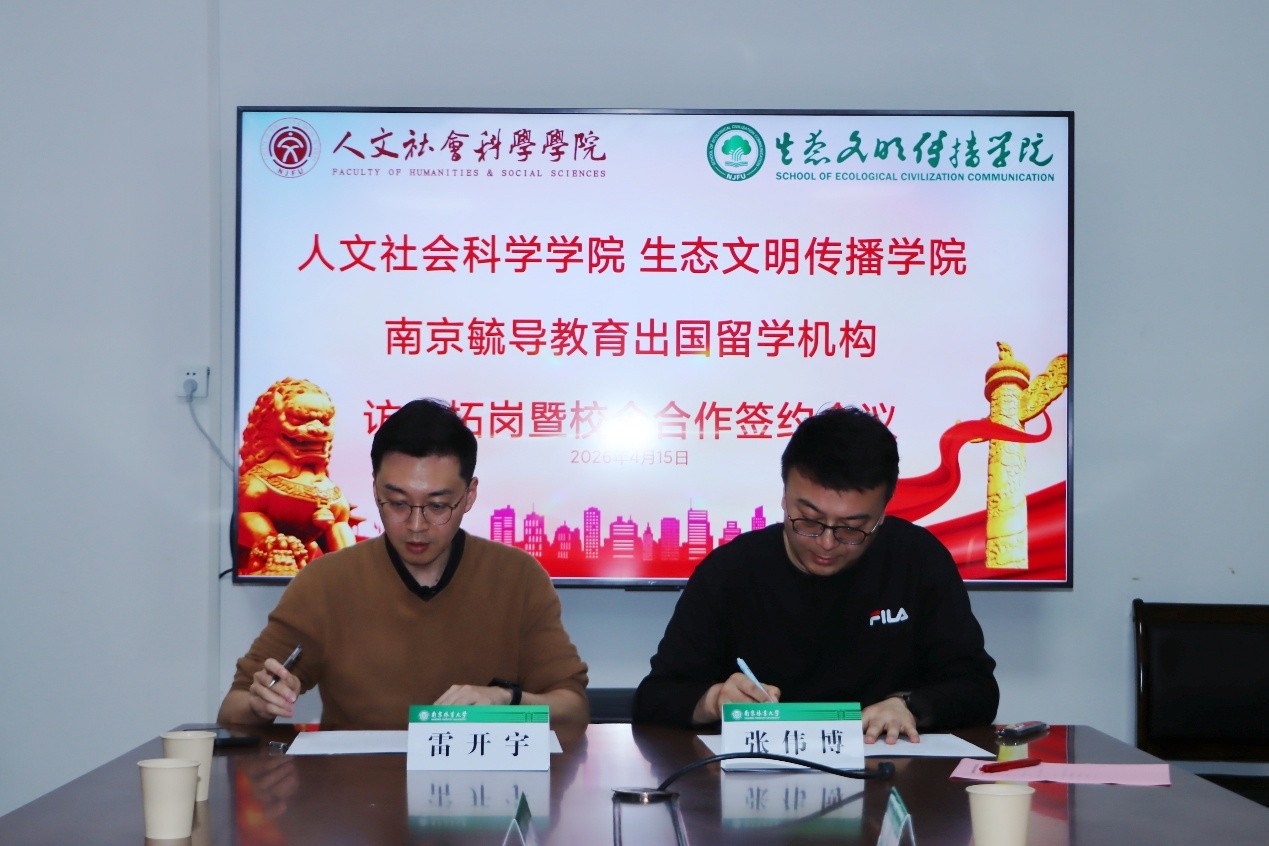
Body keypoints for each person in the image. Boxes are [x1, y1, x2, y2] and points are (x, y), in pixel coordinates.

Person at [633, 406, 998, 743]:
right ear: (784, 497)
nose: (826, 543)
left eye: (852, 528)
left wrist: (909, 706)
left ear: (882, 514)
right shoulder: (731, 571)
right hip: (759, 779)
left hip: (887, 774)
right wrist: (713, 701)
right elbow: (654, 698)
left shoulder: (917, 560)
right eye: (808, 520)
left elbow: (977, 689)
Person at [219, 398, 589, 729]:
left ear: (469, 495)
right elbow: (233, 707)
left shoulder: (517, 578)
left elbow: (572, 707)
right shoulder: (326, 582)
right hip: (352, 783)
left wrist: (506, 701)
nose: (415, 525)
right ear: (375, 489)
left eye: (438, 506)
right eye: (397, 503)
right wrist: (259, 703)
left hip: (477, 781)